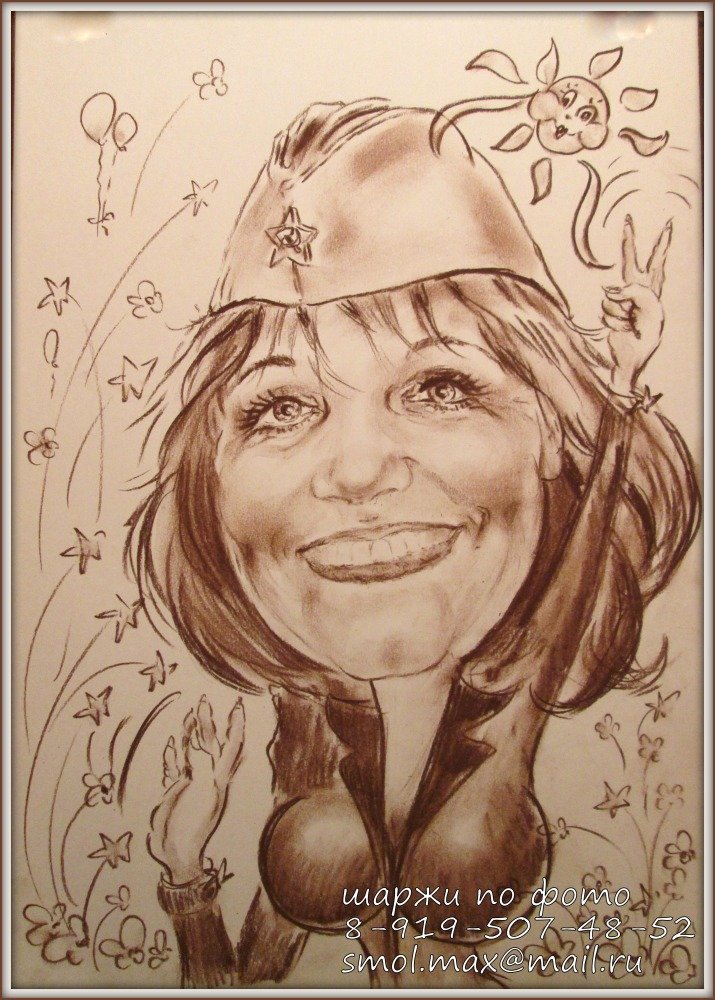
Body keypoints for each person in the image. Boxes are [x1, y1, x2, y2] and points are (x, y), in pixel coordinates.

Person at [129, 99, 699, 987]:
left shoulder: (533, 695)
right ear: (210, 478)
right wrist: (185, 877)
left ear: (554, 432)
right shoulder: (304, 717)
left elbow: (587, 556)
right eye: (280, 406)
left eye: (440, 388)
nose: (357, 472)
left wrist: (623, 396)